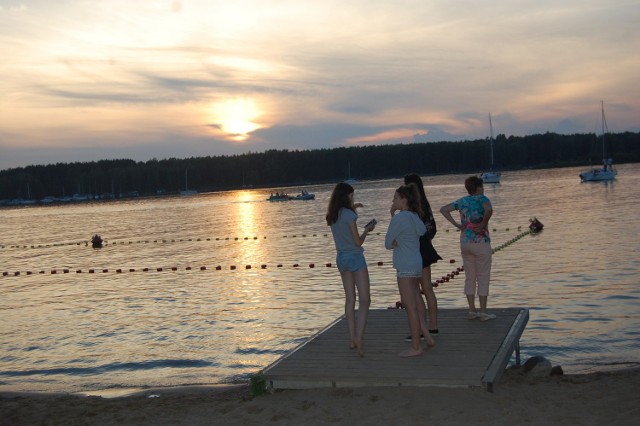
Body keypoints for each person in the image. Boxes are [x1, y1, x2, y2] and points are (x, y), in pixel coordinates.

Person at [385, 184, 436, 357]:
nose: (393, 201)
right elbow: (422, 231)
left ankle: (415, 347)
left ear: (404, 200)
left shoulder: (400, 218)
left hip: (405, 266)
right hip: (416, 263)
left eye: (396, 198)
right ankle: (427, 337)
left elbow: (387, 243)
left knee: (410, 307)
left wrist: (393, 218)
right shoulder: (415, 216)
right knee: (413, 301)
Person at [326, 182, 375, 357]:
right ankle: (359, 337)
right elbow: (358, 242)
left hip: (341, 259)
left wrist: (354, 207)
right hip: (355, 258)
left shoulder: (333, 215)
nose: (353, 198)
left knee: (349, 299)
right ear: (346, 196)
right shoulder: (349, 215)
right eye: (352, 196)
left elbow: (343, 219)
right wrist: (367, 230)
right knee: (365, 300)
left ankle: (351, 338)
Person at [440, 176, 495, 321]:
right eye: (482, 187)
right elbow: (489, 209)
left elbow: (444, 210)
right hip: (481, 241)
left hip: (465, 242)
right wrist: (483, 224)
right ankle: (483, 312)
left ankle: (471, 310)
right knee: (483, 276)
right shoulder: (483, 199)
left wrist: (457, 225)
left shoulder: (462, 201)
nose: (483, 189)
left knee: (470, 277)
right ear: (478, 187)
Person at [404, 173, 442, 340]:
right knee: (427, 289)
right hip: (426, 249)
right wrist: (426, 240)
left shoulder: (411, 209)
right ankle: (432, 326)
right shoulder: (425, 205)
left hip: (414, 251)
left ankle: (420, 329)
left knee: (414, 291)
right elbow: (432, 228)